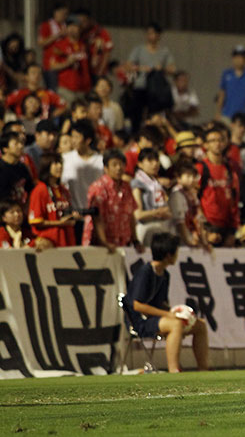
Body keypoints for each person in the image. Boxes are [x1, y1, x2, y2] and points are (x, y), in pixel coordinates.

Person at [123, 232, 209, 373]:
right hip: (139, 321)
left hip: (156, 319)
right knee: (175, 324)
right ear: (168, 255)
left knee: (200, 325)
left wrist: (179, 312)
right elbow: (137, 305)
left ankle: (203, 368)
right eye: (176, 252)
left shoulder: (165, 275)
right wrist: (168, 315)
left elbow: (162, 302)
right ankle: (173, 369)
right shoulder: (145, 272)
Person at [125, 22, 177, 132]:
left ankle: (153, 133)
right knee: (137, 113)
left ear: (158, 35)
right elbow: (128, 65)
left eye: (153, 33)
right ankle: (135, 134)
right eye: (148, 33)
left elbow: (173, 69)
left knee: (155, 114)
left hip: (156, 89)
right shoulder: (139, 49)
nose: (150, 36)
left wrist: (161, 68)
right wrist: (142, 68)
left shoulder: (164, 51)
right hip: (141, 85)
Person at [85, 149, 139, 252]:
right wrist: (104, 242)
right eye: (114, 165)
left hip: (123, 244)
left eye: (121, 164)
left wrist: (135, 240)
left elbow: (130, 215)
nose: (118, 168)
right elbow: (97, 218)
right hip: (102, 246)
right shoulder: (98, 187)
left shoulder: (126, 187)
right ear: (106, 168)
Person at [198, 127, 240, 246]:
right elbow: (193, 199)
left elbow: (234, 199)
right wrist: (204, 229)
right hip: (208, 227)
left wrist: (233, 230)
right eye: (213, 140)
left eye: (220, 140)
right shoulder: (201, 168)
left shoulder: (230, 169)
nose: (217, 143)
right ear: (205, 145)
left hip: (226, 228)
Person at [28, 153, 80, 248]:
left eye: (60, 163)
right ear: (47, 166)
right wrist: (61, 223)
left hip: (67, 240)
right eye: (55, 163)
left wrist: (73, 216)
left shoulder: (64, 190)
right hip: (48, 243)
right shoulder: (40, 190)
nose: (60, 166)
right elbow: (36, 221)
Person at [131, 148, 173, 247]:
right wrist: (157, 212)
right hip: (146, 228)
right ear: (140, 164)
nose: (155, 164)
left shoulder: (156, 183)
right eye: (150, 160)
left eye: (157, 160)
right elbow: (138, 214)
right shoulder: (137, 184)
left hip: (161, 227)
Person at [61, 119, 104, 215]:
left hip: (95, 215)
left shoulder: (101, 161)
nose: (73, 141)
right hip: (73, 215)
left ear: (88, 140)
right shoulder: (65, 159)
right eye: (72, 136)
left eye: (76, 137)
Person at [0, 131, 34, 208]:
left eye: (21, 143)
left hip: (20, 211)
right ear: (5, 149)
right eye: (16, 144)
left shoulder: (22, 167)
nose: (20, 146)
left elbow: (30, 190)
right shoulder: (1, 169)